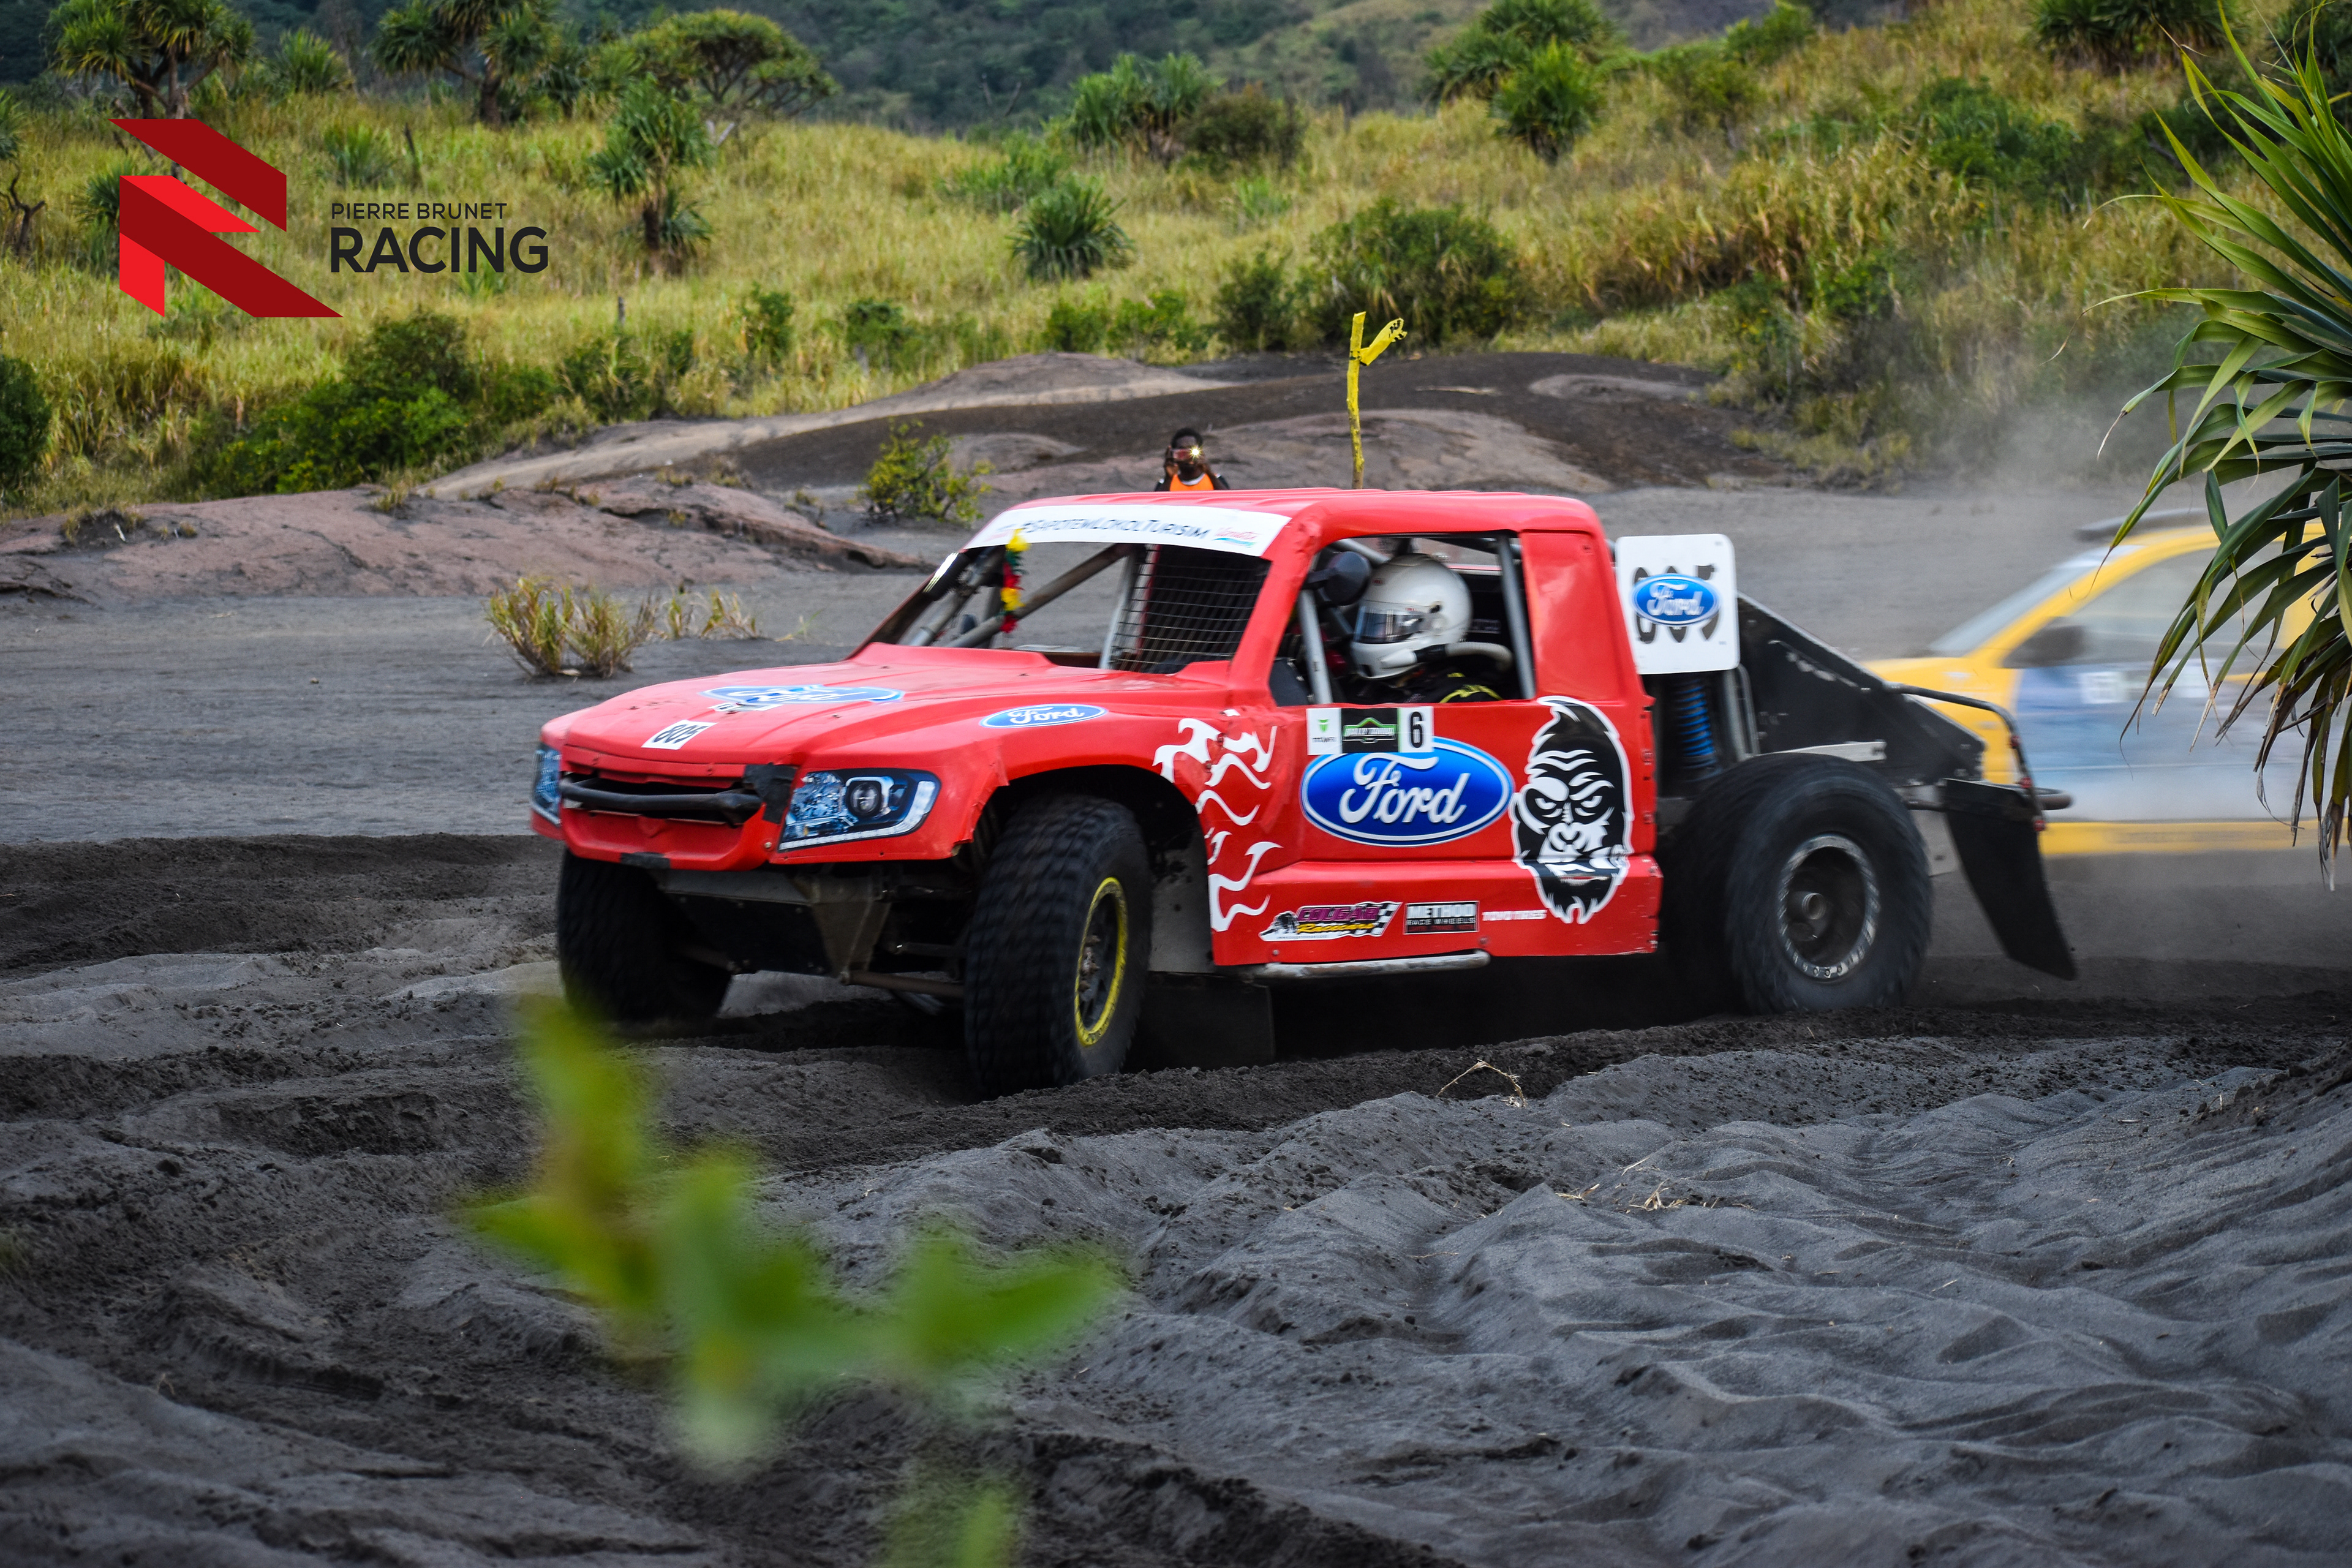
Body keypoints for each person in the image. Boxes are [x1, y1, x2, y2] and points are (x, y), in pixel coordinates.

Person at [1344, 551, 1510, 703]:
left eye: (1391, 625)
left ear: (1438, 626)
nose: (1377, 633)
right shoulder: (1356, 685)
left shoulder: (1465, 701)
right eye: (1371, 623)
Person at [1155, 428, 1230, 491]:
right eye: (1183, 453)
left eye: (1192, 451)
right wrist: (1168, 478)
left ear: (1201, 452)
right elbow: (1156, 506)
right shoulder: (1165, 483)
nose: (1189, 457)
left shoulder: (1216, 479)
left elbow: (1228, 502)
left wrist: (1210, 474)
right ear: (1174, 454)